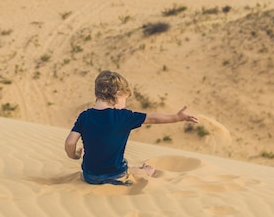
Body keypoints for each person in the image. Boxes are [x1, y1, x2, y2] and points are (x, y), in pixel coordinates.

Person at [64, 70, 198, 185]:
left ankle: (133, 171)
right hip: (116, 175)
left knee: (118, 166)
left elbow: (70, 142)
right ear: (117, 94)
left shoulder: (85, 116)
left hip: (90, 176)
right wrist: (177, 117)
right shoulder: (123, 116)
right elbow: (153, 118)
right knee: (134, 170)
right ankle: (144, 172)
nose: (125, 104)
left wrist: (74, 155)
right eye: (125, 99)